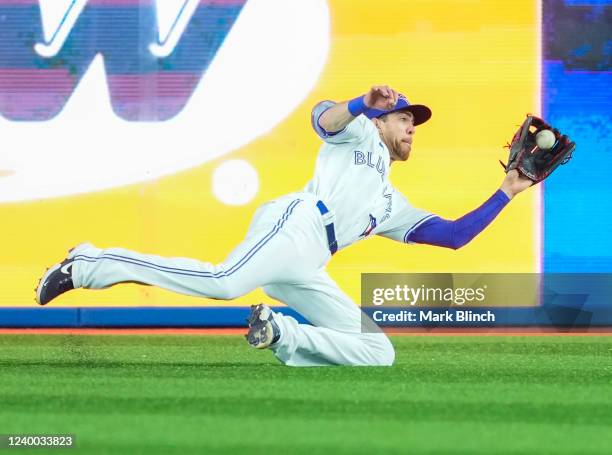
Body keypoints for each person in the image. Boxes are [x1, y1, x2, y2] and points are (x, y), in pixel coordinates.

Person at [36, 85, 533, 367]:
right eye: (405, 118)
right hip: (296, 224)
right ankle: (89, 263)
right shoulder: (360, 131)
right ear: (382, 123)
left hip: (309, 260)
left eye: (414, 124)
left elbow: (453, 236)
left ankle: (280, 334)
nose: (411, 128)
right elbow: (322, 119)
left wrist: (506, 192)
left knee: (378, 352)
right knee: (223, 282)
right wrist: (365, 103)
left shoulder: (391, 200)